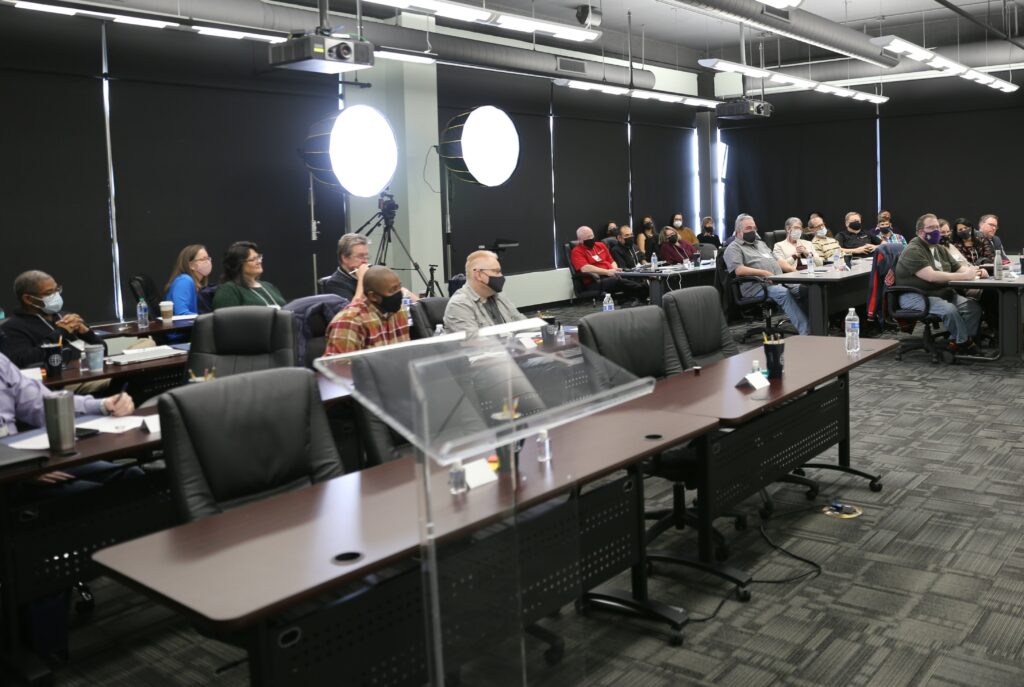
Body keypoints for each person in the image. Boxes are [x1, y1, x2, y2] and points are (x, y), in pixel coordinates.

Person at [894, 213, 985, 354]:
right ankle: (964, 343)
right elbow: (931, 277)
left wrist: (977, 271)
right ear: (920, 232)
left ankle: (957, 342)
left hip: (940, 293)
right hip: (916, 295)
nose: (936, 231)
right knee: (949, 310)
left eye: (937, 227)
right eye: (931, 227)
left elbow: (960, 268)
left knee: (973, 308)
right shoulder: (913, 250)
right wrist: (965, 276)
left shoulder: (940, 249)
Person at [723, 214, 810, 336]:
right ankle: (806, 332)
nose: (753, 231)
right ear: (738, 231)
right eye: (749, 228)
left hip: (778, 280)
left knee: (805, 289)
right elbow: (739, 270)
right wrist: (763, 273)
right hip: (757, 286)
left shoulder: (761, 244)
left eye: (754, 228)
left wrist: (794, 271)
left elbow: (778, 260)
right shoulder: (733, 248)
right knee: (782, 292)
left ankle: (817, 326)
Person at [0, 271, 106, 368]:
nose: (56, 296)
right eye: (48, 293)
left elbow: (104, 351)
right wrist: (60, 332)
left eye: (57, 290)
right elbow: (23, 361)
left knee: (120, 379)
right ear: (28, 299)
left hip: (89, 371)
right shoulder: (12, 327)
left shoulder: (65, 316)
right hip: (58, 382)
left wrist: (87, 333)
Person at [323, 266, 409, 354]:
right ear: (373, 296)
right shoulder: (350, 322)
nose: (399, 294)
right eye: (393, 290)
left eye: (399, 287)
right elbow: (338, 366)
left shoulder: (399, 311)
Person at [444, 251, 525, 335]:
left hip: (511, 346)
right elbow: (476, 342)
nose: (501, 276)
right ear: (478, 274)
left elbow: (522, 323)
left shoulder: (499, 296)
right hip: (490, 348)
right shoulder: (459, 304)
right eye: (496, 271)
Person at [321, 233, 419, 304]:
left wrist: (421, 305)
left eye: (366, 256)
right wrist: (362, 279)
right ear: (345, 258)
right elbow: (352, 313)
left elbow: (398, 291)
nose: (365, 261)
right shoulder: (335, 283)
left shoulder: (371, 271)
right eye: (360, 256)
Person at [570, 226, 646, 299]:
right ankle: (644, 291)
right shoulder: (576, 251)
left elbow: (612, 261)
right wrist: (607, 272)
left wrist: (615, 271)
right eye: (588, 237)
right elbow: (585, 268)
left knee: (626, 276)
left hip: (610, 276)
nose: (591, 238)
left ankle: (641, 294)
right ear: (580, 240)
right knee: (618, 281)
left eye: (592, 236)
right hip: (595, 281)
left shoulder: (600, 245)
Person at [212, 241, 286, 309]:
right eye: (253, 259)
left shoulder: (269, 286)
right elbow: (226, 320)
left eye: (259, 257)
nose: (259, 261)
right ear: (238, 264)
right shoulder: (229, 289)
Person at [164, 244, 212, 316]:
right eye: (203, 259)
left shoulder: (196, 282)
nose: (207, 262)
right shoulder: (184, 280)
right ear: (191, 265)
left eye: (208, 258)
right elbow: (181, 314)